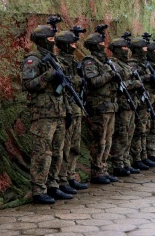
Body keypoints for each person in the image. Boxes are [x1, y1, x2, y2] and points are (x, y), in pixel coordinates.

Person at [21, 25, 71, 204]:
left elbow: (63, 89)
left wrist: (68, 111)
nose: (53, 42)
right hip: (43, 114)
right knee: (42, 153)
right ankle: (38, 189)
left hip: (58, 112)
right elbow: (28, 85)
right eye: (50, 39)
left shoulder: (55, 59)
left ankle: (53, 185)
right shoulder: (33, 60)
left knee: (57, 152)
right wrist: (47, 76)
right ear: (41, 40)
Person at [54, 31, 89, 192]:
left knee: (75, 146)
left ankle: (70, 175)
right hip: (66, 108)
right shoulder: (59, 62)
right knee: (65, 147)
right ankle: (61, 179)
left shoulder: (74, 62)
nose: (75, 47)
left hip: (76, 108)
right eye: (72, 44)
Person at [82, 33, 118, 184]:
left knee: (108, 140)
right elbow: (94, 82)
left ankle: (103, 168)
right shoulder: (89, 62)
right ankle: (97, 171)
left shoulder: (106, 61)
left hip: (109, 106)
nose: (104, 46)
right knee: (99, 141)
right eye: (102, 44)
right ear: (95, 46)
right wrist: (110, 74)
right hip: (99, 107)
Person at [108, 38, 141, 177]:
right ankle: (118, 164)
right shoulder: (114, 64)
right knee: (121, 134)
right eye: (123, 48)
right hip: (122, 104)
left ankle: (125, 162)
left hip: (130, 104)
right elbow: (119, 85)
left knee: (129, 133)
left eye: (127, 48)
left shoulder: (125, 64)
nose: (126, 50)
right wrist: (134, 83)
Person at [128, 37, 155, 169]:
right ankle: (137, 157)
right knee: (140, 130)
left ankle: (145, 155)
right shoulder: (133, 64)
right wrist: (148, 77)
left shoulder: (144, 64)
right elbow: (131, 79)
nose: (146, 51)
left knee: (147, 128)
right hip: (140, 101)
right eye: (144, 48)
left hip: (148, 100)